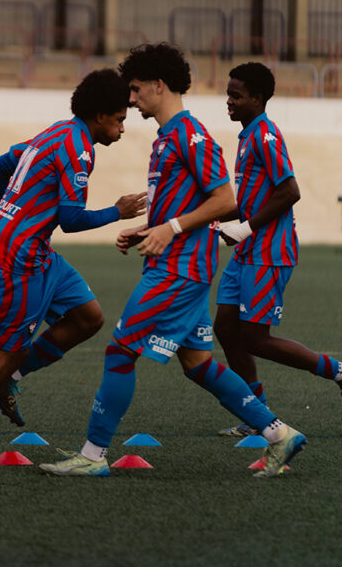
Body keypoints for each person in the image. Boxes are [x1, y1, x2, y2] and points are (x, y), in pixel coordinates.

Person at [39, 43, 306, 479]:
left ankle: (91, 455)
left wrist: (171, 230)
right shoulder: (170, 136)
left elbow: (225, 199)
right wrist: (148, 229)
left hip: (178, 271)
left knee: (120, 351)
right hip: (181, 266)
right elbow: (188, 205)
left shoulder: (189, 134)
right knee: (198, 364)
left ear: (159, 86)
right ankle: (279, 435)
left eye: (136, 88)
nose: (131, 98)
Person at [0, 69, 146, 465]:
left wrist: (0, 221)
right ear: (98, 116)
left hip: (34, 251)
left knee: (88, 317)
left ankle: (13, 378)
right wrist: (118, 210)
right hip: (19, 258)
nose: (123, 128)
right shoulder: (79, 149)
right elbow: (71, 218)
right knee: (9, 351)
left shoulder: (54, 133)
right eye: (120, 119)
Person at [214, 62, 341, 437]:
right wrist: (218, 220)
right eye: (228, 93)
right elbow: (255, 199)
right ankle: (259, 416)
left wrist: (245, 227)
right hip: (247, 250)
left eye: (236, 95)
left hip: (269, 251)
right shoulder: (248, 135)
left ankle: (336, 370)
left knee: (254, 337)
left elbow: (290, 192)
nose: (229, 101)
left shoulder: (266, 135)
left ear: (257, 98)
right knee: (225, 329)